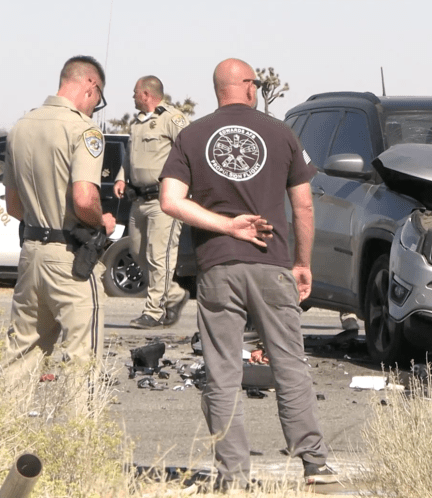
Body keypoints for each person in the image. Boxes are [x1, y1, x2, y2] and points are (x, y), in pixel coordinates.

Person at [159, 58, 336, 489]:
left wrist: (225, 226)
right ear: (251, 87)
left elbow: (169, 200)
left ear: (218, 89)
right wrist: (302, 263)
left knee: (222, 372)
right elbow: (304, 206)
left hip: (218, 266)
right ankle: (314, 465)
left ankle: (233, 476)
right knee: (289, 365)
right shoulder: (281, 133)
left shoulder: (191, 135)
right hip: (272, 262)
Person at [2, 55, 116, 380]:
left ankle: (10, 429)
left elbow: (14, 207)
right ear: (91, 86)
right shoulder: (84, 130)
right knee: (83, 359)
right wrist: (100, 221)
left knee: (21, 354)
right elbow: (84, 198)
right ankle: (82, 433)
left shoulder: (20, 127)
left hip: (31, 254)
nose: (95, 107)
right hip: (70, 258)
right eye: (98, 99)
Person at [114, 76, 190, 329]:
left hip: (163, 201)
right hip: (138, 200)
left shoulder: (172, 119)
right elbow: (129, 158)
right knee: (137, 252)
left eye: (135, 92)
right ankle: (176, 295)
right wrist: (121, 178)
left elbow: (191, 151)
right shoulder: (137, 124)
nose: (133, 97)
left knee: (160, 257)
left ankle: (154, 312)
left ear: (146, 94)